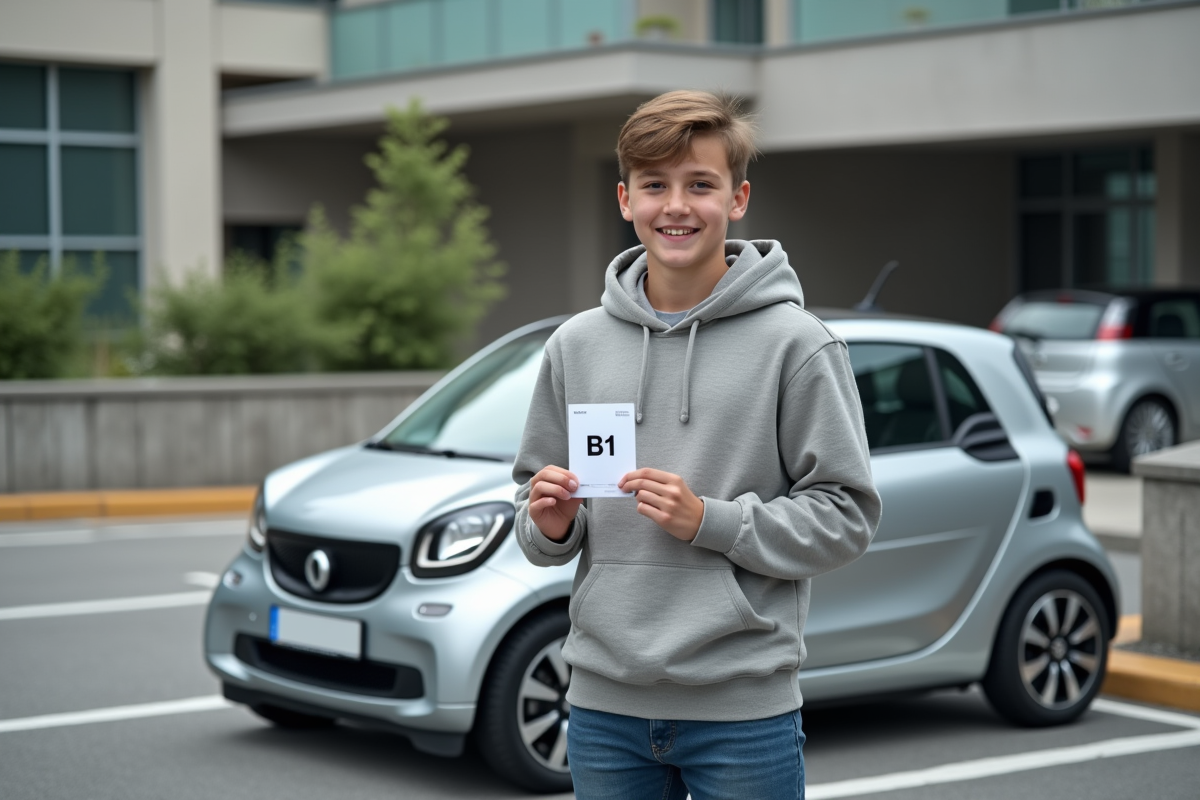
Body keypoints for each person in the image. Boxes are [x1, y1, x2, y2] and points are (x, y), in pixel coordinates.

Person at [512, 90, 881, 800]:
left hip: (741, 712)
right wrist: (550, 523)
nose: (675, 205)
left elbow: (847, 516)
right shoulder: (575, 346)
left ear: (738, 198)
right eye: (655, 185)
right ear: (625, 199)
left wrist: (710, 520)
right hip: (603, 705)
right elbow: (535, 513)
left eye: (700, 185)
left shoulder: (797, 346)